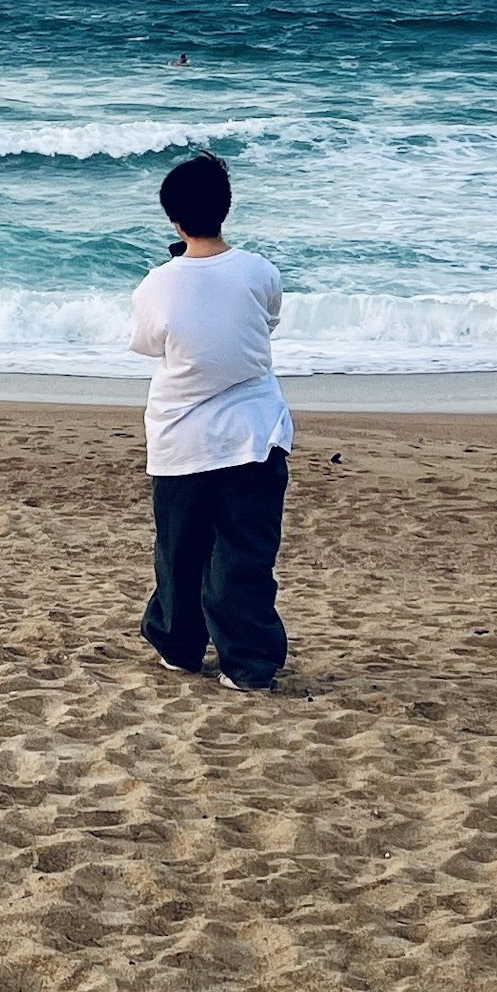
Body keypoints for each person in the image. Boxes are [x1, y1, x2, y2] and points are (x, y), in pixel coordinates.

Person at [127, 152, 291, 692]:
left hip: (182, 435)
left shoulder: (158, 283)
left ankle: (180, 644)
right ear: (225, 210)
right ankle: (248, 662)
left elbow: (147, 343)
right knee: (244, 551)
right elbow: (268, 319)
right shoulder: (258, 270)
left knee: (180, 547)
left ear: (173, 219)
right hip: (255, 430)